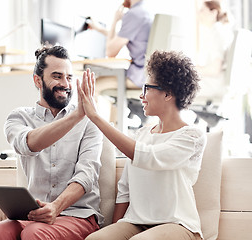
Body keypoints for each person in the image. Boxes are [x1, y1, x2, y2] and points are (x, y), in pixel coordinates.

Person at [78, 50, 207, 240]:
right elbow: (125, 190)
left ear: (168, 94)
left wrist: (96, 117)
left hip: (178, 224)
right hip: (136, 223)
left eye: (147, 88)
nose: (141, 95)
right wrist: (114, 230)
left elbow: (150, 157)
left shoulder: (191, 136)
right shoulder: (142, 135)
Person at [0, 45, 103, 240]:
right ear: (37, 80)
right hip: (35, 214)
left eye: (69, 77)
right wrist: (75, 117)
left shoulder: (88, 121)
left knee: (34, 233)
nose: (65, 84)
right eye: (57, 76)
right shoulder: (18, 118)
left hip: (78, 214)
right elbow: (28, 145)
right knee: (0, 230)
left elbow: (86, 175)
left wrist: (56, 207)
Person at [87, 0, 153, 92]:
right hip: (150, 77)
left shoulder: (133, 14)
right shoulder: (145, 12)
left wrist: (115, 20)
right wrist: (98, 28)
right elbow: (120, 37)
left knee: (93, 85)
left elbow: (110, 52)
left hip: (138, 78)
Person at [195, 0, 234, 100]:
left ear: (214, 12)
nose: (198, 13)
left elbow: (214, 70)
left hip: (213, 86)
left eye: (202, 10)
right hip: (217, 84)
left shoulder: (217, 33)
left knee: (174, 86)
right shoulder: (221, 31)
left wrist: (192, 69)